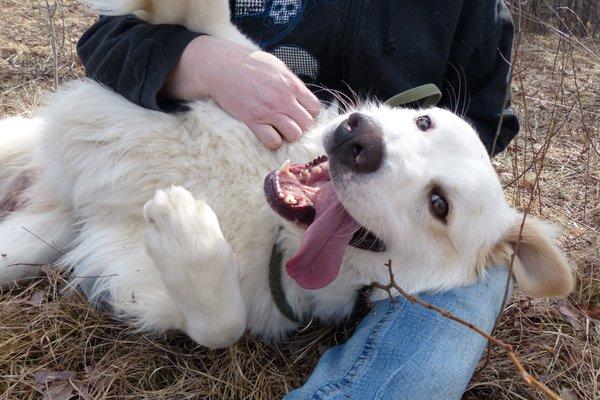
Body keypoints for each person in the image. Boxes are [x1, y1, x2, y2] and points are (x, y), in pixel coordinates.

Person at [77, 1, 519, 398]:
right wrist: (203, 60)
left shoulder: (475, 12)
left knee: (476, 270)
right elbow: (105, 41)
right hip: (188, 128)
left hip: (368, 221)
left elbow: (483, 125)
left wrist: (412, 192)